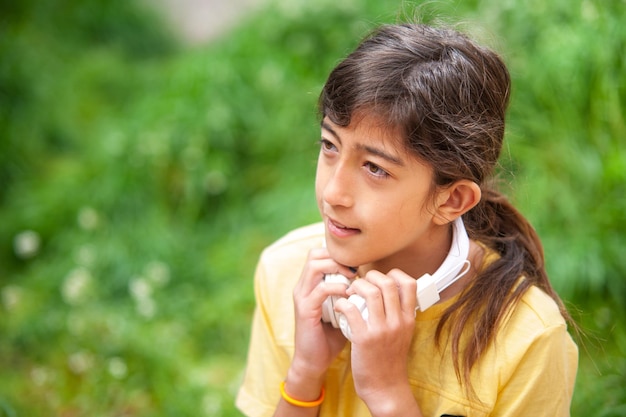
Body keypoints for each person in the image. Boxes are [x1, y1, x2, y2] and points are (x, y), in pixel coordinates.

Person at [236, 22, 578, 417]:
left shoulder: (528, 339)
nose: (332, 193)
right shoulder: (287, 274)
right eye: (329, 145)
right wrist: (305, 371)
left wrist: (388, 395)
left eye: (375, 169)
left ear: (452, 199)